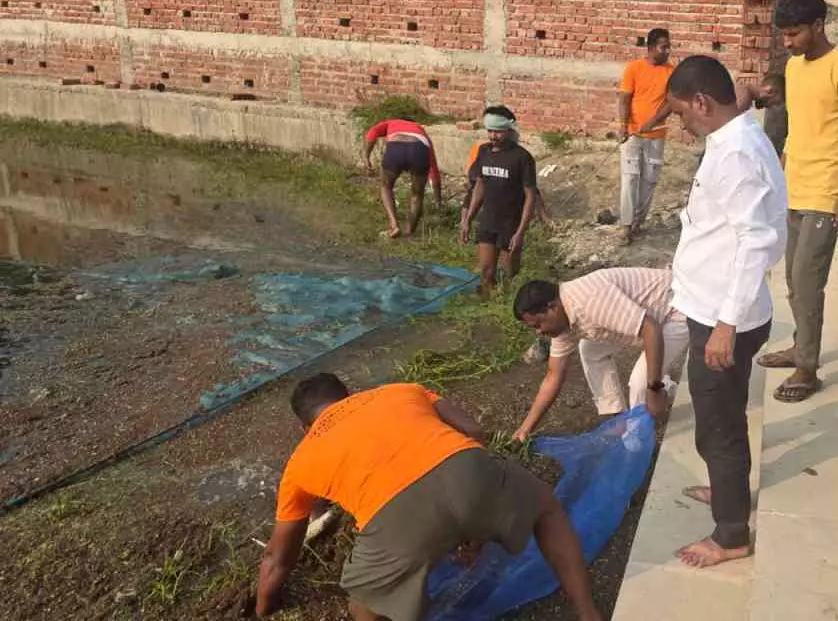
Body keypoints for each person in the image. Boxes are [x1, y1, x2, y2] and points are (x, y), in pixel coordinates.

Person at [252, 373, 602, 621]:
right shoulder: (399, 390)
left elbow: (277, 559)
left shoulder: (299, 462)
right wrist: (478, 514)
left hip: (397, 521)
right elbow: (474, 430)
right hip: (466, 467)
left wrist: (263, 608)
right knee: (546, 508)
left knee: (364, 605)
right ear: (352, 394)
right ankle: (588, 613)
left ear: (304, 427)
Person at [664, 55, 787, 568]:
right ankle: (725, 489)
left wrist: (725, 326)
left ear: (702, 103)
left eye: (682, 115)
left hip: (723, 317)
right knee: (720, 419)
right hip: (714, 310)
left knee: (719, 427)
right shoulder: (734, 137)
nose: (681, 126)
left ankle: (732, 534)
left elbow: (754, 238)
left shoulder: (735, 153)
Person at [756, 0, 838, 403]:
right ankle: (800, 345)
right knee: (792, 279)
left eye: (794, 34)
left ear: (818, 26)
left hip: (829, 194)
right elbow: (796, 127)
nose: (788, 43)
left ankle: (808, 369)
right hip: (795, 188)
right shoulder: (793, 69)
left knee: (807, 281)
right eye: (784, 36)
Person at [510, 268, 690, 441]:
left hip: (676, 309)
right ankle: (617, 417)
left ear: (551, 308)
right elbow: (553, 376)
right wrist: (525, 429)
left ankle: (636, 439)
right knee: (590, 349)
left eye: (537, 325)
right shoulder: (563, 318)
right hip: (648, 319)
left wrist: (654, 388)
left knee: (640, 383)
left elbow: (651, 329)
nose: (539, 333)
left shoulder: (589, 300)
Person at [460, 105, 538, 296]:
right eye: (490, 131)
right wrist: (467, 219)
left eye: (498, 132)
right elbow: (480, 186)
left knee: (508, 275)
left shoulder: (522, 158)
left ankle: (507, 307)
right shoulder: (484, 152)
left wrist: (520, 232)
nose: (493, 136)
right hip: (488, 221)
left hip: (510, 224)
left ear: (509, 131)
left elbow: (530, 196)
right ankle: (486, 308)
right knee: (486, 272)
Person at [619, 28, 675, 244]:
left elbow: (671, 102)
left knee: (649, 180)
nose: (667, 51)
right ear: (651, 48)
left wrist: (652, 123)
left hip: (656, 135)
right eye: (663, 47)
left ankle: (637, 222)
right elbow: (625, 98)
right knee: (630, 178)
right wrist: (624, 126)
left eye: (669, 46)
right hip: (633, 135)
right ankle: (625, 226)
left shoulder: (671, 72)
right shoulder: (634, 68)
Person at [362, 118, 442, 239]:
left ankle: (394, 226)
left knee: (386, 186)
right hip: (419, 149)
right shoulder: (420, 130)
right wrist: (438, 201)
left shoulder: (391, 122)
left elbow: (372, 133)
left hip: (396, 148)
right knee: (417, 195)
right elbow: (434, 168)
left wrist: (366, 157)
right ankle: (409, 232)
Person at [736, 71, 787, 156]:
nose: (770, 107)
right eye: (775, 103)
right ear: (770, 91)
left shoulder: (744, 96)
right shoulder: (743, 98)